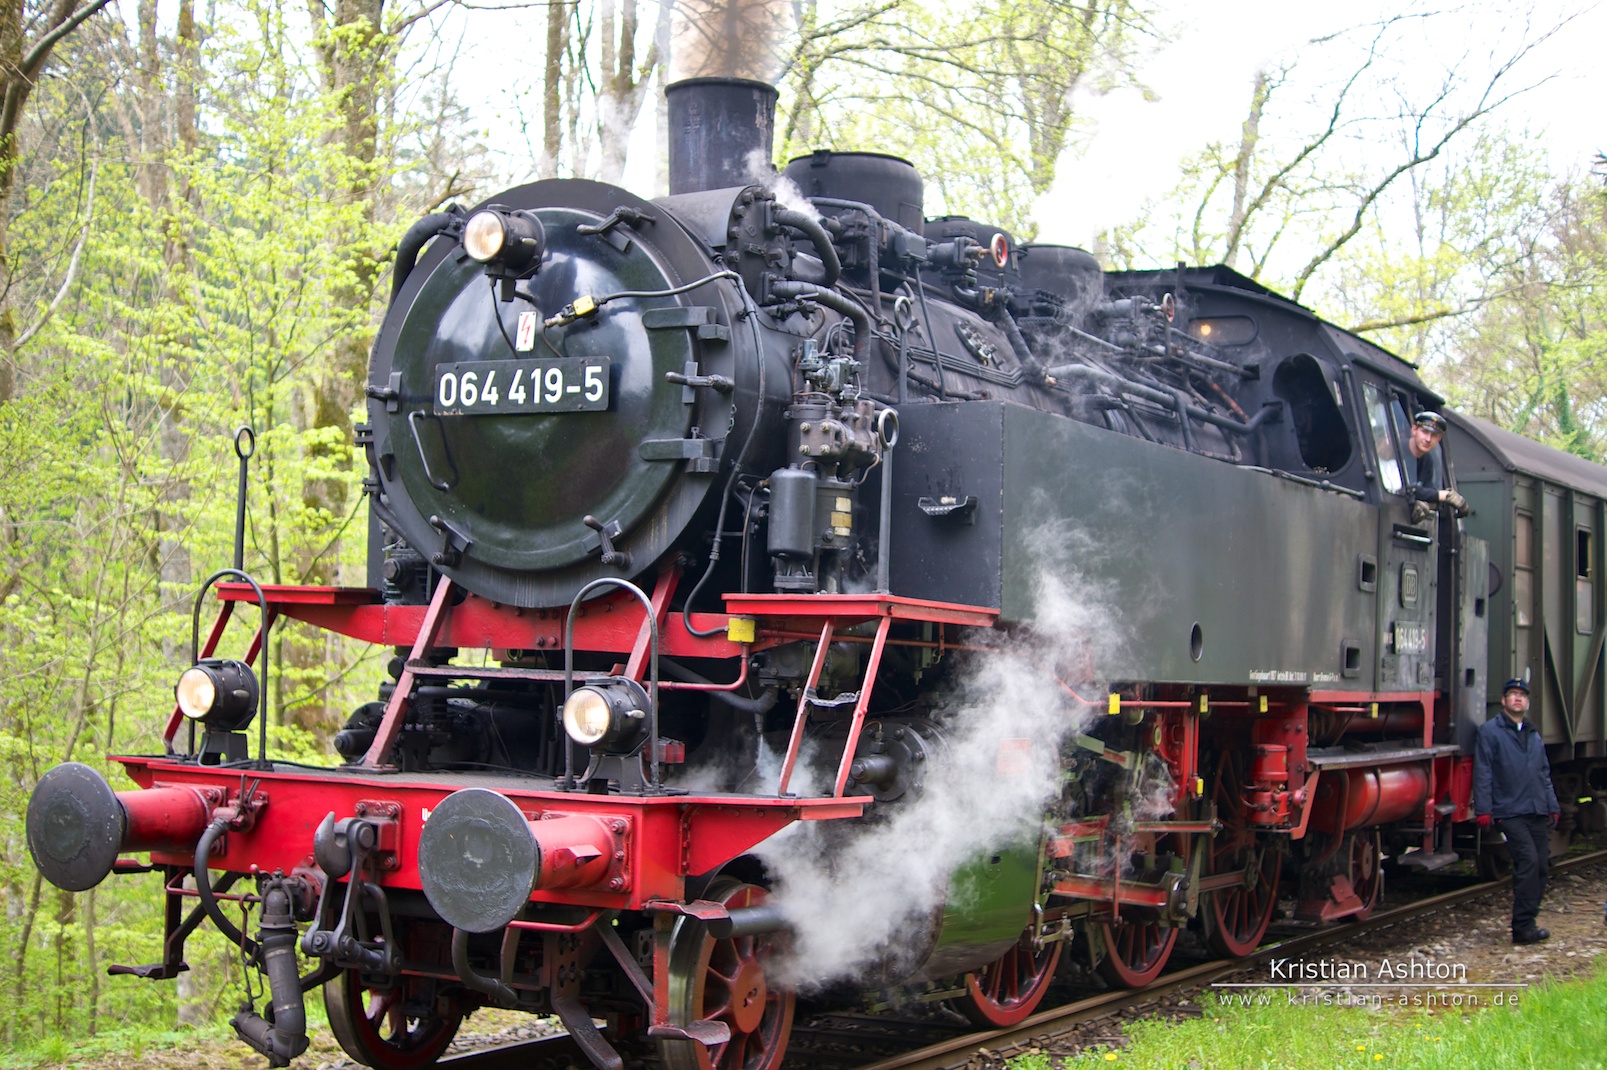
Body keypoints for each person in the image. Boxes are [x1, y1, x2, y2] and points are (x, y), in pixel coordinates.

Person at [1473, 678, 1561, 944]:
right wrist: (1484, 809)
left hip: (1536, 809)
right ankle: (1522, 927)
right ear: (1503, 701)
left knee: (1542, 865)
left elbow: (1543, 773)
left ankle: (1530, 921)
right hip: (1510, 811)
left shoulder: (1533, 733)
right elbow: (1484, 771)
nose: (1517, 698)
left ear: (1527, 701)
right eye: (1512, 694)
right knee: (1528, 862)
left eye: (1522, 695)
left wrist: (1553, 805)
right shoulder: (1490, 732)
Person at [1405, 410, 1468, 519]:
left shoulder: (1427, 460)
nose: (1428, 439)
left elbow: (1428, 491)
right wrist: (1445, 496)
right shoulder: (1395, 451)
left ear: (1439, 438)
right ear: (1414, 430)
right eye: (1424, 432)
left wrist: (1426, 503)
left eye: (1434, 435)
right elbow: (1401, 489)